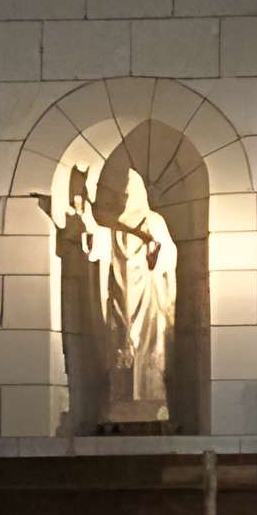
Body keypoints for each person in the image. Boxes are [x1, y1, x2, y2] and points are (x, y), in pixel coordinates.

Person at [73, 170, 179, 425]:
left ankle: (152, 402)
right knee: (119, 345)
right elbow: (98, 248)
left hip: (149, 298)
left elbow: (169, 256)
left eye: (128, 193)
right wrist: (86, 221)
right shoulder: (112, 227)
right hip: (121, 296)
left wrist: (156, 250)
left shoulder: (153, 221)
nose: (125, 199)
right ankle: (119, 401)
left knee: (149, 347)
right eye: (121, 194)